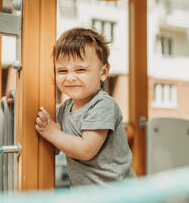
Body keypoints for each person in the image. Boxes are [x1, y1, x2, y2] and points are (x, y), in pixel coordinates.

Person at [35, 27, 136, 187]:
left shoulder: (103, 105)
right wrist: (16, 103)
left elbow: (85, 150)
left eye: (80, 69)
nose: (70, 77)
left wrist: (52, 133)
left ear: (103, 72)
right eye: (62, 71)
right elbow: (49, 142)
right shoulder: (63, 110)